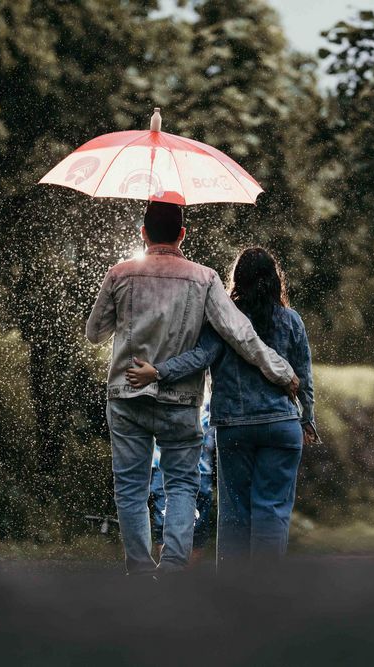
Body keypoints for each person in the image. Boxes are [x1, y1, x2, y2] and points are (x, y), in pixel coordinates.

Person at [85, 200, 299, 575]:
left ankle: (138, 569)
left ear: (142, 232)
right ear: (182, 234)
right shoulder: (204, 278)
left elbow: (94, 333)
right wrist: (281, 371)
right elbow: (239, 333)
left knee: (131, 487)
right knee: (182, 483)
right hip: (180, 400)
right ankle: (172, 568)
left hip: (126, 396)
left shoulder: (119, 274)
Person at [126, 247, 317, 571]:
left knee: (235, 514)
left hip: (235, 427)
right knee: (272, 511)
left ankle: (234, 596)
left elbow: (198, 358)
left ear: (236, 280)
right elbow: (304, 377)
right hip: (282, 426)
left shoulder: (222, 319)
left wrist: (158, 371)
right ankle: (268, 591)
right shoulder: (291, 320)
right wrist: (307, 419)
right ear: (274, 281)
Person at [149, 400, 216, 563]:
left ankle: (184, 580)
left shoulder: (210, 379)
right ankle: (168, 576)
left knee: (198, 526)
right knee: (163, 522)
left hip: (201, 464)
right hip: (161, 462)